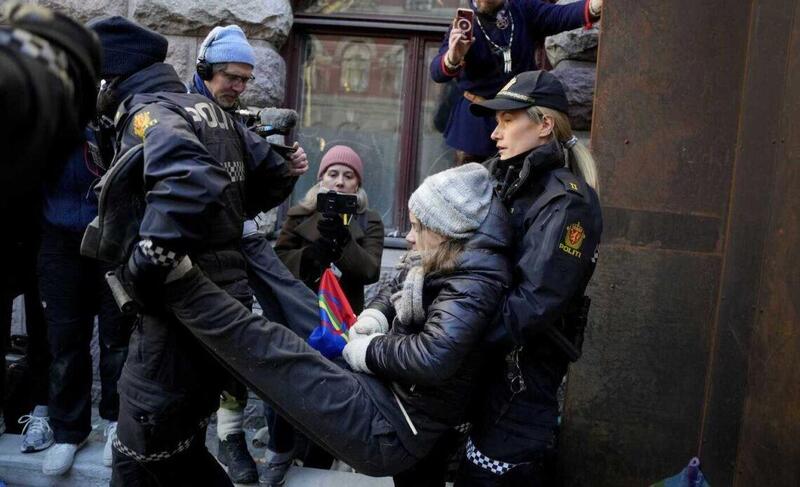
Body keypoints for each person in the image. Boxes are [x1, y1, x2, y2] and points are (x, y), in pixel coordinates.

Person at [157, 163, 512, 478]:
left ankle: (182, 285)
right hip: (383, 393)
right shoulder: (448, 257)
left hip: (389, 428)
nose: (407, 236)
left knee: (273, 347)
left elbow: (433, 357)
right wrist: (374, 316)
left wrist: (367, 349)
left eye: (418, 227)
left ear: (447, 230)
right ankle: (250, 241)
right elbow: (396, 284)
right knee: (302, 307)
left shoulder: (475, 281)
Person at [81, 16, 307, 486]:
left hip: (180, 311)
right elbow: (266, 177)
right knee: (167, 448)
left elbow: (191, 181)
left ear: (111, 79)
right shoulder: (211, 112)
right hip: (220, 303)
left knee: (142, 448)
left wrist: (146, 266)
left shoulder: (150, 111)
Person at [456, 70, 602, 486]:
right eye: (495, 122)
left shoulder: (568, 201)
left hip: (523, 375)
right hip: (485, 365)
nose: (494, 134)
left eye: (507, 120)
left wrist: (454, 339)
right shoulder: (503, 177)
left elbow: (534, 303)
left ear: (544, 125)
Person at [264, 145, 384, 484]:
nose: (340, 182)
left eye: (348, 176)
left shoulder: (369, 220)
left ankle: (323, 457)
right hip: (301, 313)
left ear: (357, 184)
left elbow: (371, 269)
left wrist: (344, 241)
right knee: (292, 384)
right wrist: (314, 254)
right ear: (321, 178)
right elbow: (279, 261)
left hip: (344, 321)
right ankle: (284, 451)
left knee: (335, 390)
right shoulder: (300, 215)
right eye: (333, 174)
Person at [38, 130, 135, 476]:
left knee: (117, 338)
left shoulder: (117, 104)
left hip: (113, 235)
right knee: (65, 340)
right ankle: (68, 431)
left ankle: (116, 424)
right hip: (58, 238)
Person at [430, 0, 602, 163]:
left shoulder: (522, 8)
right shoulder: (465, 24)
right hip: (477, 124)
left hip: (520, 118)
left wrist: (594, 6)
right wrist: (453, 57)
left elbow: (558, 15)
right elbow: (437, 72)